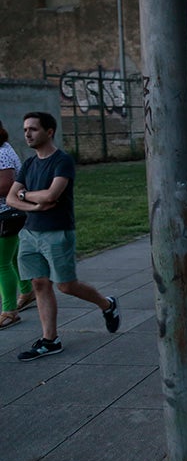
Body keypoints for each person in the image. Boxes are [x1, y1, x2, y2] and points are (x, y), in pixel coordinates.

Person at [6, 112, 121, 360]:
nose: (27, 134)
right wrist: (32, 204)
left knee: (66, 285)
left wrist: (27, 196)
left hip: (57, 232)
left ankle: (107, 305)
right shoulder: (28, 164)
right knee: (39, 284)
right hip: (30, 233)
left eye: (33, 129)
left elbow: (52, 195)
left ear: (49, 132)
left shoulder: (62, 161)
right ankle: (50, 340)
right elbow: (11, 198)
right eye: (25, 129)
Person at [1, 119, 33, 329]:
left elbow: (5, 187)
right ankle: (27, 291)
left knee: (1, 263)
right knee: (12, 257)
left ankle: (9, 310)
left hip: (6, 213)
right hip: (11, 213)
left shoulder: (1, 153)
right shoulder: (3, 148)